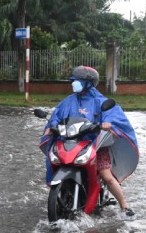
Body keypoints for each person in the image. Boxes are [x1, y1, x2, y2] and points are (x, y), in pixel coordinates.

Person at [42, 66, 138, 216]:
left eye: (77, 81)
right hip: (71, 143)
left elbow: (112, 114)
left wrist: (107, 123)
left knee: (106, 176)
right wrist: (51, 126)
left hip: (96, 145)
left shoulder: (100, 101)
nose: (73, 84)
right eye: (73, 81)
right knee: (55, 161)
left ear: (88, 83)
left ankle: (124, 206)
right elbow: (57, 116)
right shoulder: (68, 101)